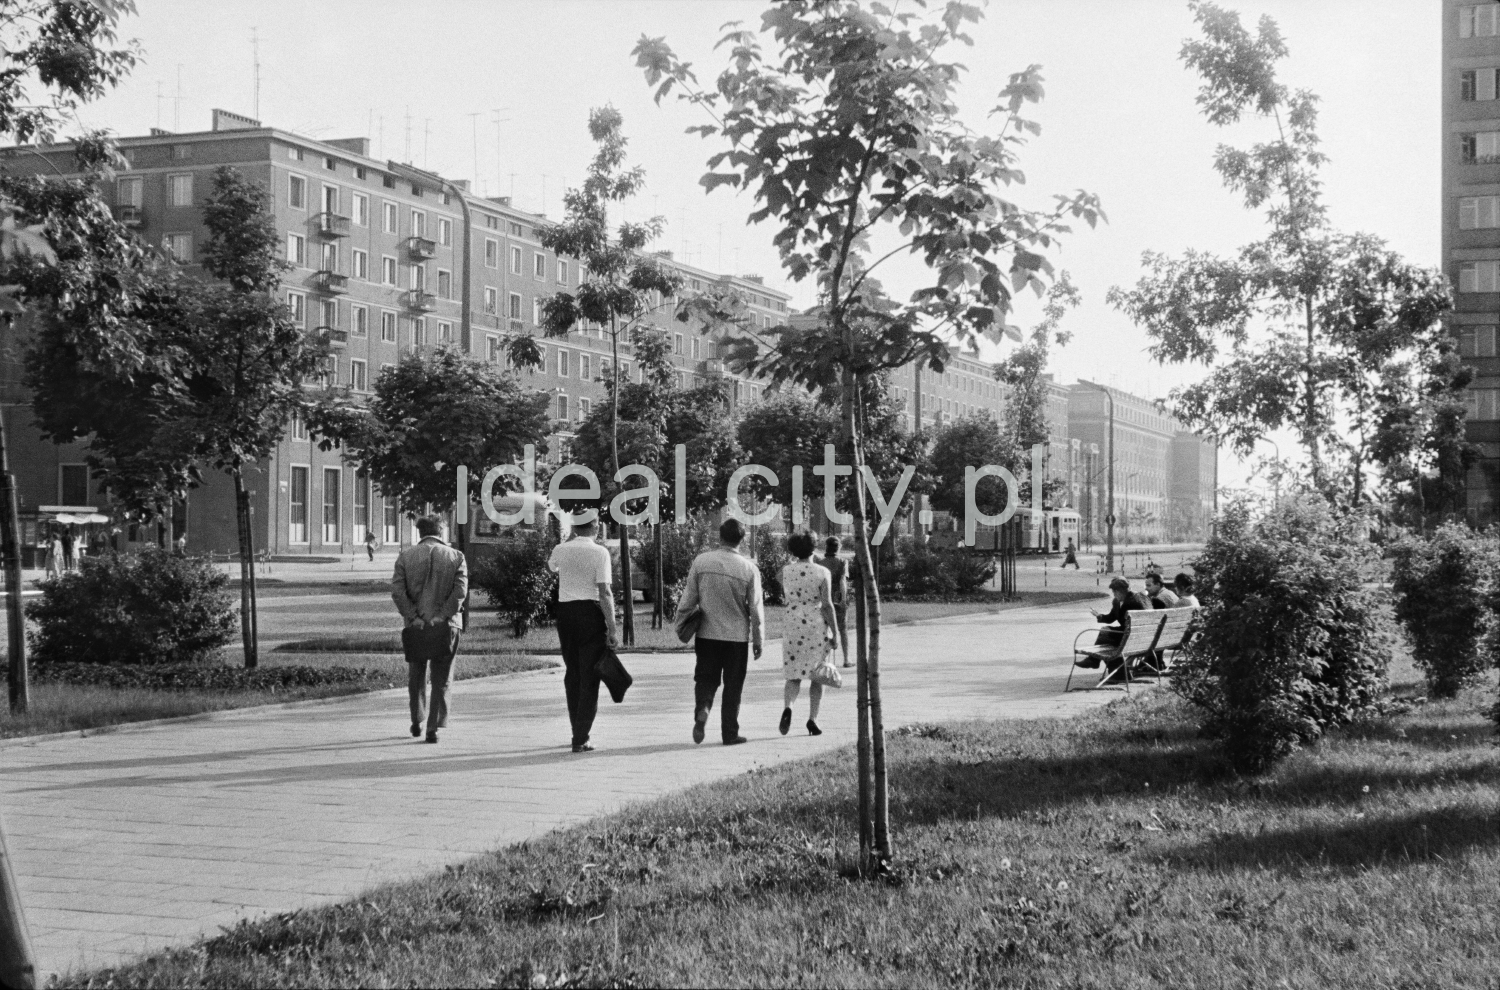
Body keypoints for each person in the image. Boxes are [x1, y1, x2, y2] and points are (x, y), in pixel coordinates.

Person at [674, 518, 764, 746]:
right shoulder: (748, 568)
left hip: (707, 634)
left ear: (719, 536)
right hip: (736, 637)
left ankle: (703, 708)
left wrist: (681, 625)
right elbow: (755, 608)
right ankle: (730, 733)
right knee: (733, 685)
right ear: (742, 540)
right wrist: (758, 640)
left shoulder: (702, 562)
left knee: (705, 679)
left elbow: (688, 599)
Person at [391, 514, 468, 744]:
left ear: (420, 532)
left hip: (416, 627)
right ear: (441, 531)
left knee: (417, 675)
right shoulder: (456, 556)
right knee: (441, 677)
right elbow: (460, 591)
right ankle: (432, 727)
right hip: (447, 625)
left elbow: (397, 591)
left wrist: (413, 616)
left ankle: (417, 719)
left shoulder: (405, 556)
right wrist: (442, 616)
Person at [547, 511, 618, 753]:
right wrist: (612, 627)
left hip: (566, 614)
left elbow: (550, 568)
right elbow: (605, 592)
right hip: (590, 613)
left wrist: (569, 539)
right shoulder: (600, 552)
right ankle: (581, 735)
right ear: (596, 526)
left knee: (573, 673)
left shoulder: (561, 549)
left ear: (575, 528)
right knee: (590, 676)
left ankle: (575, 729)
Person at [778, 531, 838, 737]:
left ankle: (789, 706)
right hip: (815, 624)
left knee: (794, 674)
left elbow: (783, 587)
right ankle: (813, 719)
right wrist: (836, 633)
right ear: (814, 547)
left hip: (792, 623)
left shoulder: (785, 571)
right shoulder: (822, 572)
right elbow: (828, 605)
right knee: (818, 675)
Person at [1076, 576, 1148, 665]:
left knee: (1105, 633)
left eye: (1115, 592)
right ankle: (1101, 664)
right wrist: (1099, 616)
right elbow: (1112, 617)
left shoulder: (1133, 601)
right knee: (1106, 635)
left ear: (1120, 591)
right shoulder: (1129, 599)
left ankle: (1097, 662)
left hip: (1134, 637)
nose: (1114, 594)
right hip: (1145, 637)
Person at [814, 536, 851, 668]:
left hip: (823, 598)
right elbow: (842, 581)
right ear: (838, 547)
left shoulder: (820, 563)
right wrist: (843, 599)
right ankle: (846, 659)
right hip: (837, 597)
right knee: (843, 629)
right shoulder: (842, 562)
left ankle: (824, 660)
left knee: (825, 628)